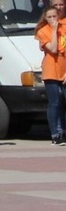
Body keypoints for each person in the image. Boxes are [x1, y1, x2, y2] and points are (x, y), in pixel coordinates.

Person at [37, 7, 66, 145]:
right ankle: (55, 133)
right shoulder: (43, 32)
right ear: (45, 19)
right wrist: (54, 30)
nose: (53, 19)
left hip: (64, 68)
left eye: (55, 16)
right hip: (51, 69)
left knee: (64, 102)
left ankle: (63, 131)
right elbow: (53, 48)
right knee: (54, 102)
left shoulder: (64, 28)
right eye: (50, 17)